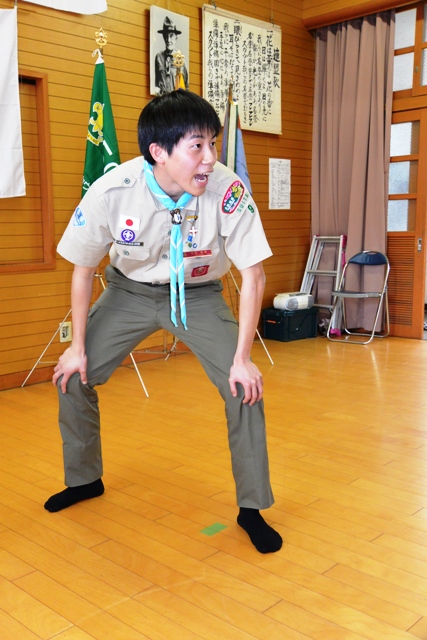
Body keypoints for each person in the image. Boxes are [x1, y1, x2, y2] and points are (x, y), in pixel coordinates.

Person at [45, 89, 282, 555]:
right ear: (159, 151)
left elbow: (253, 275)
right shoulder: (112, 191)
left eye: (213, 143)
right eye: (197, 146)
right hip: (128, 292)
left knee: (244, 388)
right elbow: (82, 269)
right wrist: (76, 348)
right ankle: (84, 478)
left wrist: (243, 359)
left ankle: (251, 508)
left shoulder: (226, 189)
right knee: (71, 377)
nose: (210, 157)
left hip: (199, 293)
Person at [154, 16, 189, 95]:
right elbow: (156, 84)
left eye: (171, 36)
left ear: (176, 37)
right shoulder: (159, 57)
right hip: (163, 99)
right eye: (166, 36)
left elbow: (186, 87)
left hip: (176, 100)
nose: (168, 40)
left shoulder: (180, 59)